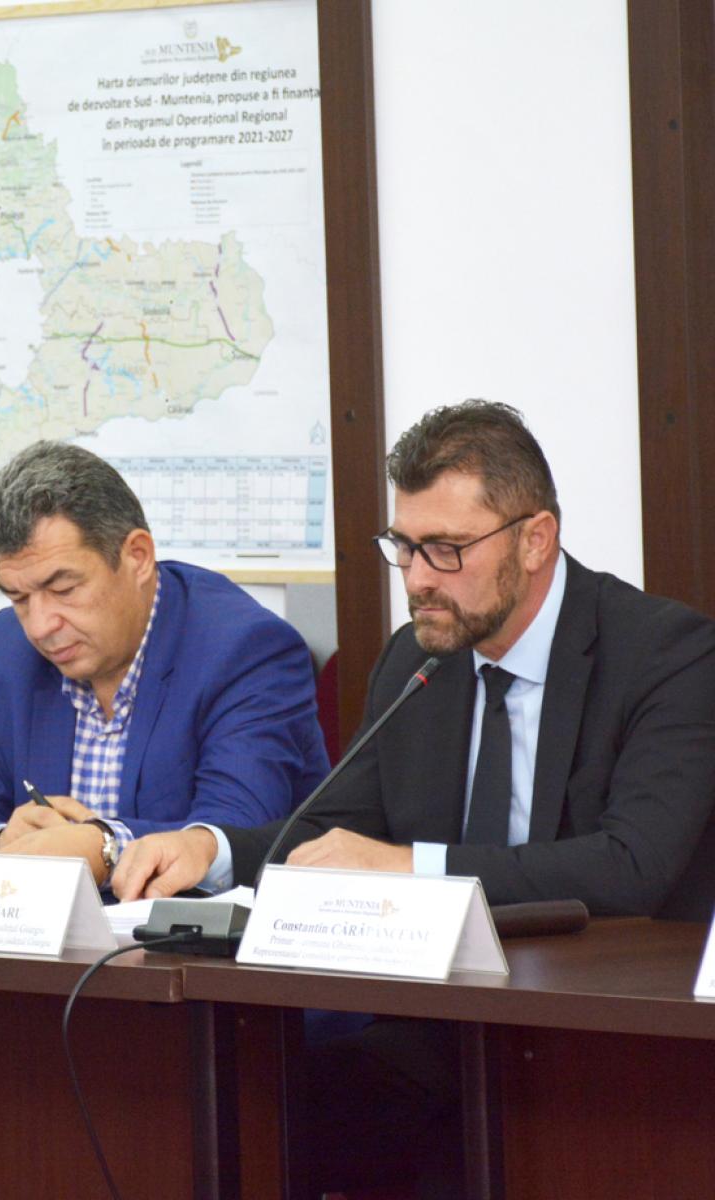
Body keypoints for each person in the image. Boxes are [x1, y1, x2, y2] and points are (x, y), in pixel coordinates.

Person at [113, 399, 715, 1196]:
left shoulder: (666, 655)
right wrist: (210, 849)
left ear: (535, 539)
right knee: (223, 1114)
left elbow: (631, 866)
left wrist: (412, 867)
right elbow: (333, 833)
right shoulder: (418, 659)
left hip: (610, 1038)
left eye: (446, 549)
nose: (419, 578)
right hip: (439, 1027)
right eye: (403, 546)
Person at [0, 440, 329, 888]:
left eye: (64, 589)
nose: (41, 625)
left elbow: (234, 834)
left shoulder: (244, 650)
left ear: (137, 557)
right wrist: (1, 844)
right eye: (19, 598)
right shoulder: (10, 648)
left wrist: (105, 848)